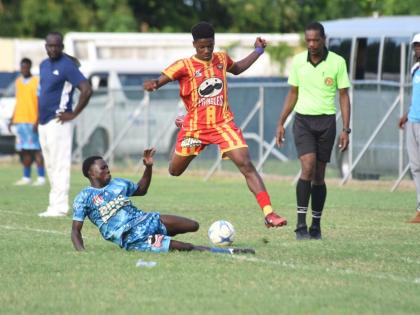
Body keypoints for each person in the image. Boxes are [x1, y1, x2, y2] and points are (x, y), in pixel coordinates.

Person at [143, 21, 287, 228]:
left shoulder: (221, 58)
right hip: (194, 128)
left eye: (210, 45)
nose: (207, 50)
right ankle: (183, 126)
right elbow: (161, 80)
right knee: (174, 171)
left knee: (246, 164)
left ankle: (269, 213)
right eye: (202, 46)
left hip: (222, 124)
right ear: (194, 45)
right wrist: (153, 85)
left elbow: (237, 68)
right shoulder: (184, 65)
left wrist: (258, 50)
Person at [71, 148, 255, 255]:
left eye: (108, 167)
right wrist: (82, 253)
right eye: (103, 168)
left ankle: (162, 237)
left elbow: (141, 190)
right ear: (91, 173)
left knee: (193, 225)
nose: (108, 171)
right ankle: (229, 252)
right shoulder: (84, 198)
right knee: (187, 248)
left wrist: (148, 167)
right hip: (132, 237)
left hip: (147, 219)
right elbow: (75, 231)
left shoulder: (118, 183)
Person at [276, 22, 351, 240]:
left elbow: (344, 96)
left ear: (323, 39)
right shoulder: (299, 61)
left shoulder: (338, 62)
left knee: (319, 176)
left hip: (327, 123)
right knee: (307, 169)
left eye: (315, 40)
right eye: (308, 40)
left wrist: (346, 129)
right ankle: (300, 226)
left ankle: (315, 226)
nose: (311, 44)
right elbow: (292, 93)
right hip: (303, 122)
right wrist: (281, 121)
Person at [37, 31, 93, 217]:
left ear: (61, 47)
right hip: (43, 122)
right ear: (45, 46)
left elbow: (86, 89)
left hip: (58, 122)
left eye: (56, 46)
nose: (52, 49)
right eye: (49, 45)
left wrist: (74, 113)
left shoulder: (67, 66)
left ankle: (59, 207)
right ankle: (53, 204)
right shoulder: (44, 65)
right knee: (50, 165)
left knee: (60, 164)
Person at [9, 58, 45, 186]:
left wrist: (37, 120)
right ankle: (26, 177)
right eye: (22, 67)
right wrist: (12, 119)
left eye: (26, 67)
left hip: (32, 120)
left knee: (36, 149)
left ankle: (41, 177)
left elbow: (40, 102)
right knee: (24, 150)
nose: (24, 69)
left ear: (29, 67)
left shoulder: (36, 81)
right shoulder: (18, 82)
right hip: (19, 121)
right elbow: (18, 101)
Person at [398, 33, 420, 223]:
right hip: (413, 122)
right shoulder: (415, 69)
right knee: (416, 167)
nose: (418, 49)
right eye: (416, 46)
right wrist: (406, 115)